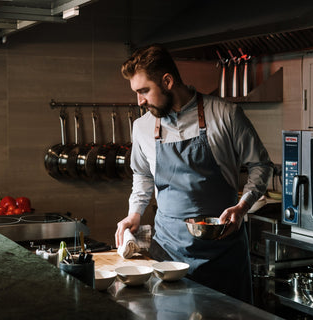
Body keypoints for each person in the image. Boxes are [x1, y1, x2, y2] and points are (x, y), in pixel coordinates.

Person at [115, 44, 273, 303]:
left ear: (167, 81)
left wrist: (243, 206)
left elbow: (260, 165)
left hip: (222, 252)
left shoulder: (225, 114)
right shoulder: (142, 127)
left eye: (144, 91)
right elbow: (143, 175)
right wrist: (135, 212)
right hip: (167, 252)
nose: (139, 101)